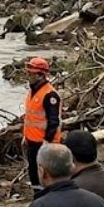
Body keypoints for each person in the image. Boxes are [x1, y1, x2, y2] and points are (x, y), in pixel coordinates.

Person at [22, 56, 62, 191]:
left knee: (46, 174)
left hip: (44, 143)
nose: (28, 76)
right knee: (33, 171)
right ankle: (37, 195)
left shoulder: (50, 95)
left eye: (30, 73)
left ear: (40, 75)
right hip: (32, 141)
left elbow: (53, 121)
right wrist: (25, 136)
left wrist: (47, 141)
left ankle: (46, 196)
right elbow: (30, 117)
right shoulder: (33, 91)